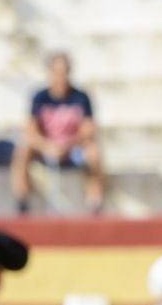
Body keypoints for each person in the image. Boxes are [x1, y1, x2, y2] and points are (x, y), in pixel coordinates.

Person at [11, 52, 105, 215]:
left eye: (65, 71)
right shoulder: (40, 97)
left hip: (73, 149)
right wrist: (47, 146)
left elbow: (89, 130)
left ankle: (95, 204)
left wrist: (68, 146)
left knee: (94, 152)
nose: (61, 76)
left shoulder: (81, 97)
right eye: (57, 71)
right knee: (23, 150)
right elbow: (30, 130)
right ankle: (22, 202)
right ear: (50, 71)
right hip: (46, 148)